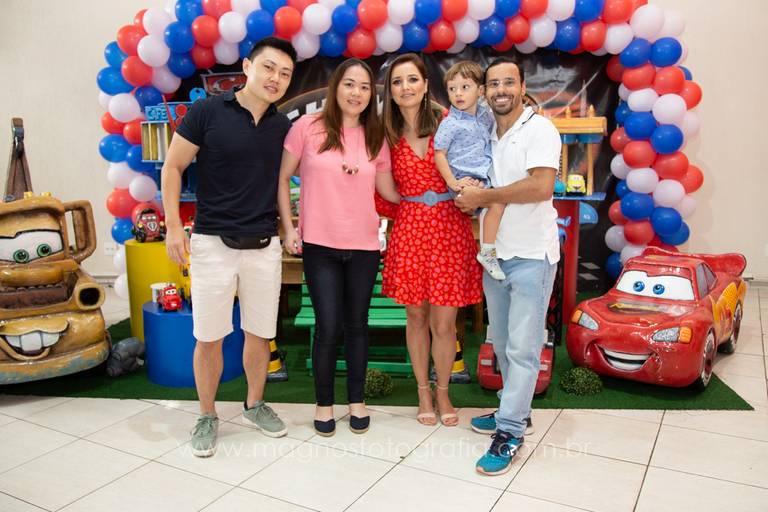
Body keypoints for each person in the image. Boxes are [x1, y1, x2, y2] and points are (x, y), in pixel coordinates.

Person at [161, 37, 297, 457]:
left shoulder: (283, 127)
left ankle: (255, 404)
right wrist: (173, 227)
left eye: (285, 74)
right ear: (248, 66)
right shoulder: (207, 111)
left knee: (260, 334)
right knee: (209, 337)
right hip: (211, 244)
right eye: (269, 67)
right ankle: (207, 414)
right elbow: (173, 166)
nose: (275, 78)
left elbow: (286, 181)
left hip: (264, 245)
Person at [277, 58, 399, 437]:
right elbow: (282, 178)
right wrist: (288, 228)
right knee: (328, 326)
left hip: (364, 247)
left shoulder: (376, 136)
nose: (356, 93)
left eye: (364, 87)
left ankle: (356, 401)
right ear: (336, 87)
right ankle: (324, 403)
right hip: (319, 245)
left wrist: (430, 196)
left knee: (357, 325)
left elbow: (388, 192)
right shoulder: (307, 127)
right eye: (349, 84)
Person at [454, 57, 561, 476]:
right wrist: (468, 195)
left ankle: (511, 431)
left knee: (523, 347)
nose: (501, 90)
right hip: (495, 255)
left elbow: (541, 186)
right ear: (484, 91)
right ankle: (514, 411)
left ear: (522, 87)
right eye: (493, 83)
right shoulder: (486, 133)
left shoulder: (540, 129)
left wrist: (484, 198)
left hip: (532, 255)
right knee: (501, 343)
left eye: (508, 82)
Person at [378, 53, 483, 427]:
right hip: (410, 231)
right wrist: (411, 203)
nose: (405, 87)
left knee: (444, 322)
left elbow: (475, 163)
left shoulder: (449, 122)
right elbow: (384, 191)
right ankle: (423, 390)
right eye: (397, 82)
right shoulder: (385, 134)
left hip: (450, 229)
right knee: (416, 316)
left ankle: (443, 390)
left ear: (425, 85)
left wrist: (471, 192)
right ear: (390, 91)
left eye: (412, 79)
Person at [434, 61, 506, 281]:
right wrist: (453, 182)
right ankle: (487, 252)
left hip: (482, 178)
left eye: (465, 87)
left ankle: (488, 250)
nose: (458, 93)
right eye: (452, 89)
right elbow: (439, 154)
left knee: (497, 203)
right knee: (491, 203)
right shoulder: (449, 123)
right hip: (461, 180)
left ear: (480, 91)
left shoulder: (486, 116)